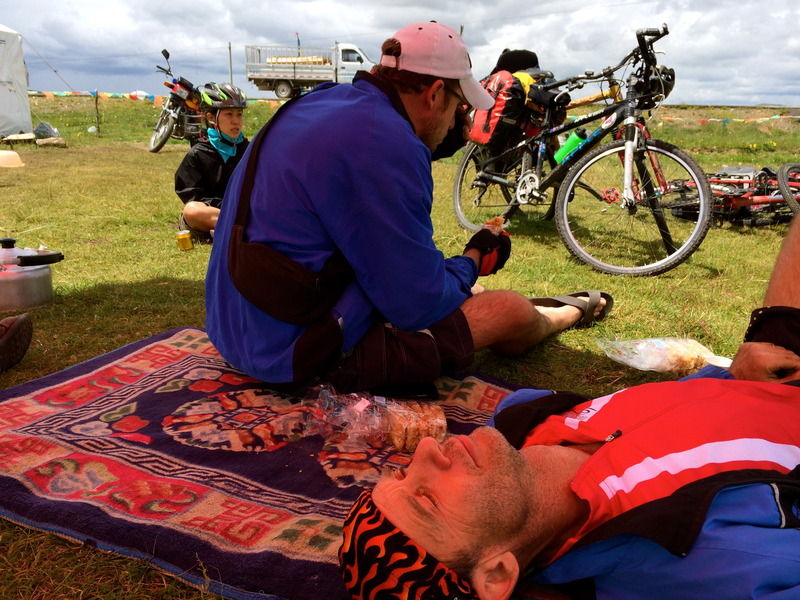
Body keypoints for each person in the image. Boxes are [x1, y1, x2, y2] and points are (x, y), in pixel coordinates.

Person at [338, 216, 800, 600]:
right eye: (429, 498)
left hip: (771, 359)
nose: (425, 454)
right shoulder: (700, 560)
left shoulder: (527, 417)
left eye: (401, 475)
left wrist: (739, 370)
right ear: (496, 573)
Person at [204, 21, 612, 396]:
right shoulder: (385, 141)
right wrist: (475, 256)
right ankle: (565, 313)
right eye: (458, 108)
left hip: (234, 325)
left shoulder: (325, 101)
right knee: (505, 309)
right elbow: (417, 304)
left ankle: (543, 306)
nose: (459, 122)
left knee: (464, 288)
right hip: (289, 353)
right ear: (434, 93)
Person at [175, 82, 249, 242]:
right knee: (192, 211)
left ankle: (230, 231)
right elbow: (192, 197)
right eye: (229, 114)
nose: (236, 121)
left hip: (246, 212)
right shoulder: (198, 154)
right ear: (210, 117)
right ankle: (245, 231)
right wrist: (228, 207)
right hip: (213, 213)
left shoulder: (251, 151)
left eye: (239, 114)